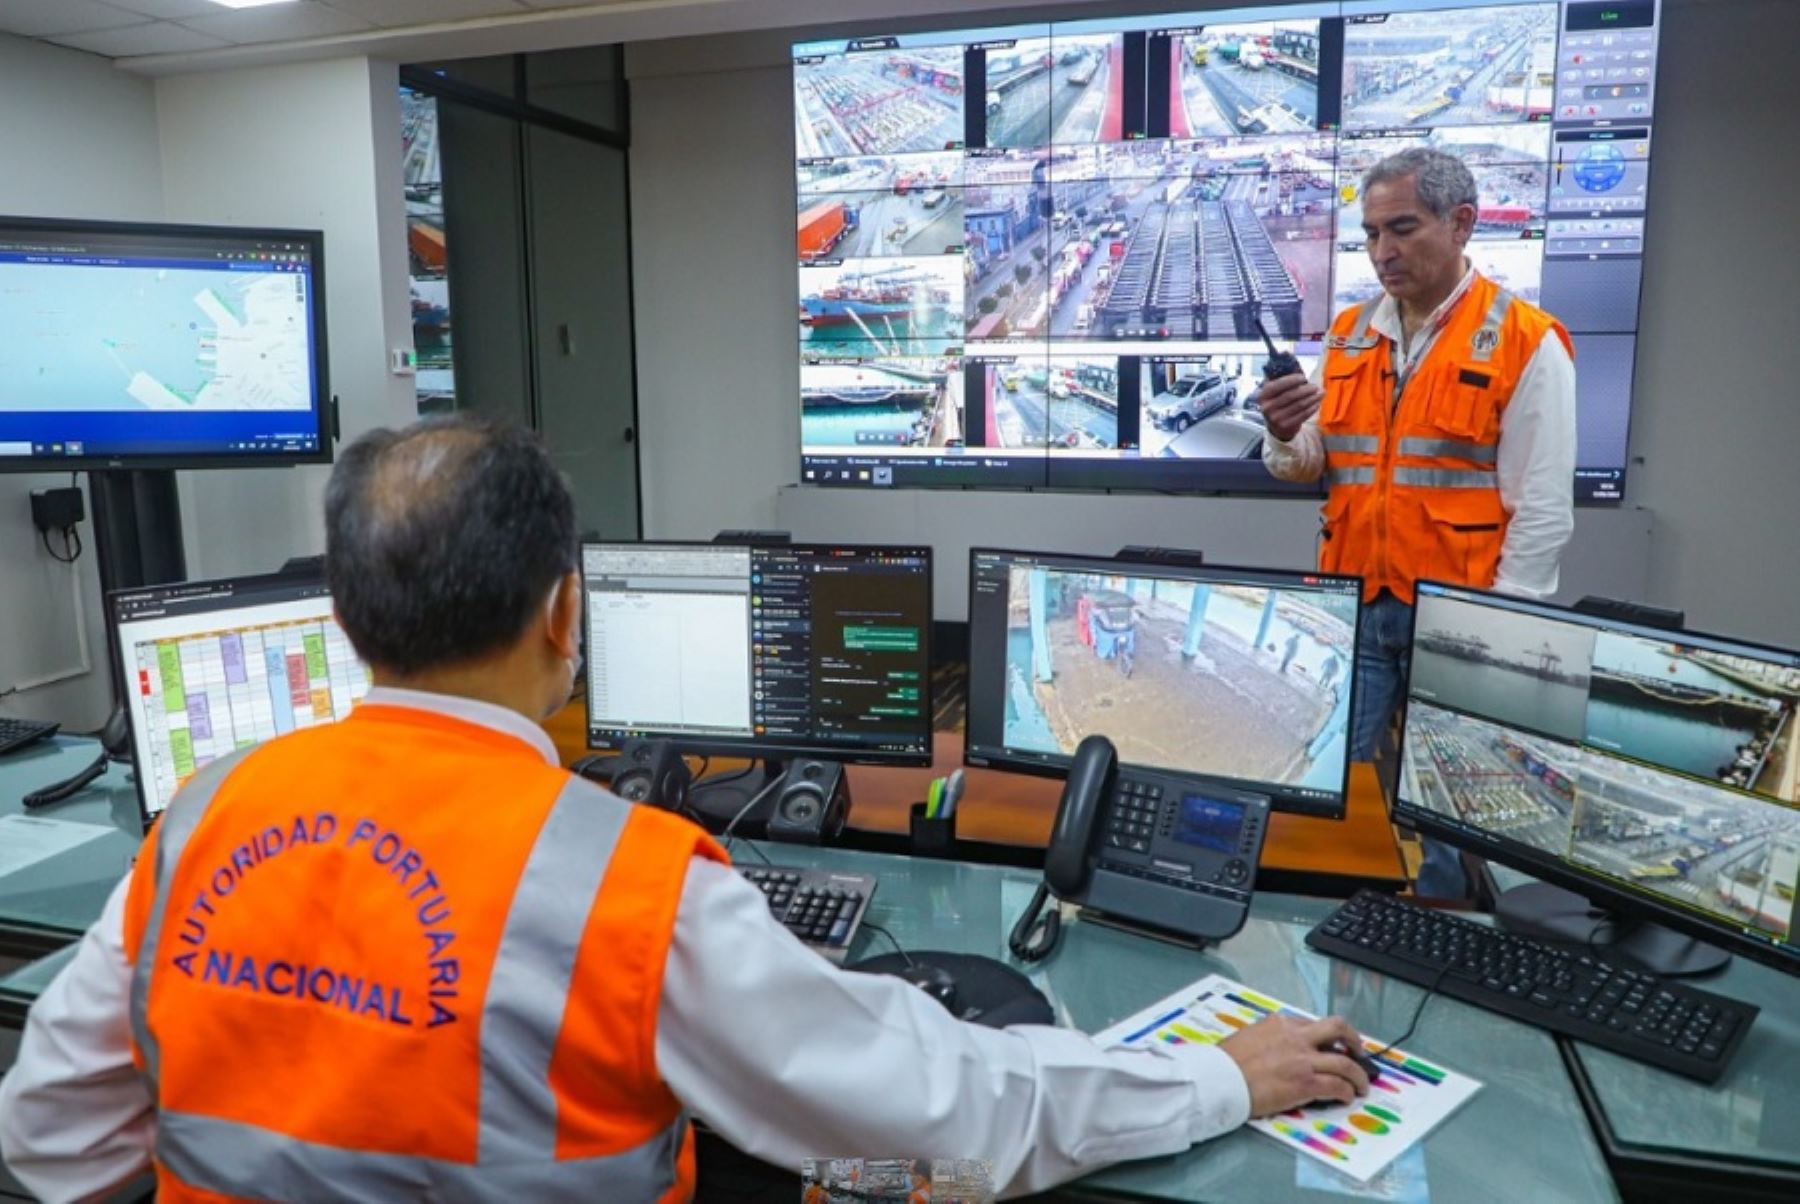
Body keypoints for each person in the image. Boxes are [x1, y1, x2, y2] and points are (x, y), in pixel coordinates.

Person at [0, 416, 1373, 1201]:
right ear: (562, 611)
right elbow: (943, 1099)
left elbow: (50, 1143)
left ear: (354, 621)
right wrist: (1212, 1075)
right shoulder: (624, 883)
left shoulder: (203, 818)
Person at [1261, 148, 1576, 900]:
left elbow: (1542, 509)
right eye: (1370, 234)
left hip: (1457, 610)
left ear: (1461, 223)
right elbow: (1313, 465)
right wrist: (1280, 433)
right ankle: (1312, 900)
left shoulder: (1525, 340)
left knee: (1452, 792)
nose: (1381, 253)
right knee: (1320, 764)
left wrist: (1501, 629)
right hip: (1357, 599)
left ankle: (1444, 915)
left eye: (1401, 229)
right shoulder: (1347, 333)